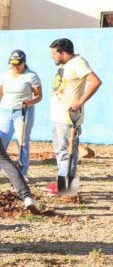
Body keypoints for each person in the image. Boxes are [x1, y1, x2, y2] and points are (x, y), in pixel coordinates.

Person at [41, 38, 102, 196]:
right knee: (60, 151)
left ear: (63, 52)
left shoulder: (78, 62)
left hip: (68, 118)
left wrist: (80, 101)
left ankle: (68, 188)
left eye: (55, 53)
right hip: (57, 116)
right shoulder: (65, 65)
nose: (53, 56)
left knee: (68, 151)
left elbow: (95, 81)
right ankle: (62, 183)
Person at [0, 50, 42, 181]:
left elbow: (38, 96)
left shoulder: (31, 76)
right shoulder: (5, 75)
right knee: (1, 142)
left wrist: (29, 102)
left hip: (24, 112)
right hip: (6, 111)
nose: (15, 67)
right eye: (13, 64)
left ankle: (23, 173)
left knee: (22, 142)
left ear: (24, 62)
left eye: (18, 64)